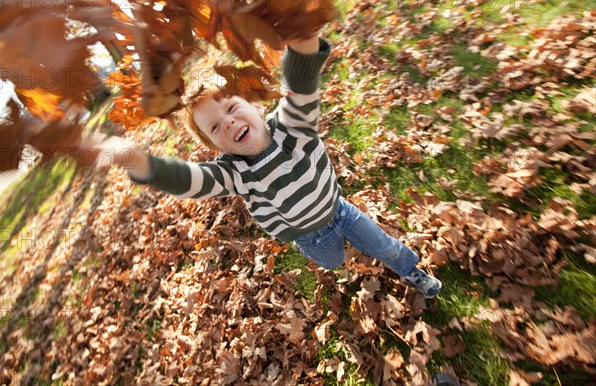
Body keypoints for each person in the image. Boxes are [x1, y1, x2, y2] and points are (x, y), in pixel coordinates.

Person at [85, 33, 442, 298]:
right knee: (334, 263)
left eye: (231, 108)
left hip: (339, 211)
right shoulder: (232, 172)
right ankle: (334, 255)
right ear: (214, 146)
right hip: (307, 235)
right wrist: (133, 159)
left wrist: (302, 43)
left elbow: (300, 91)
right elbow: (190, 181)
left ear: (256, 106)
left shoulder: (293, 129)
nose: (227, 122)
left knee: (384, 246)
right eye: (214, 127)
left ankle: (413, 272)